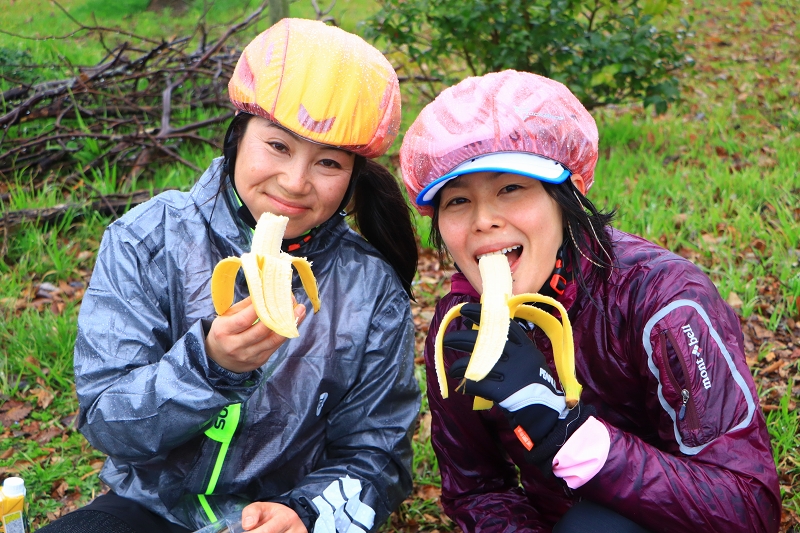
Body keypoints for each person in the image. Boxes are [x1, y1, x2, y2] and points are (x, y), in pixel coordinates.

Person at [39, 18, 420, 533]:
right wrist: (208, 365)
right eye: (278, 146)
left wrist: (306, 512)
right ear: (238, 135)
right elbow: (109, 423)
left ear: (353, 177)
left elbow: (379, 455)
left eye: (328, 163)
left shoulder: (370, 288)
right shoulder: (149, 238)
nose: (295, 182)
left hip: (285, 516)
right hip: (152, 509)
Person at [399, 70, 781, 533]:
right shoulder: (458, 328)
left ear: (568, 197)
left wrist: (565, 431)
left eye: (510, 189)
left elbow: (746, 506)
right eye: (457, 201)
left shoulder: (662, 300)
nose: (483, 221)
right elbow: (477, 489)